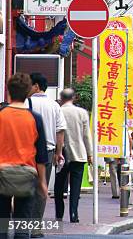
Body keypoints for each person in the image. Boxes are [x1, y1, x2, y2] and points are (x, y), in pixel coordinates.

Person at [0, 73, 48, 239]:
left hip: (2, 174)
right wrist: (42, 183)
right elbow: (41, 155)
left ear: (9, 91)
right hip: (27, 175)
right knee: (22, 224)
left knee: (1, 224)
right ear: (29, 92)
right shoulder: (35, 118)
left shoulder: (1, 115)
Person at [28, 73, 66, 235]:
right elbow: (60, 131)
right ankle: (36, 227)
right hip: (48, 152)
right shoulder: (54, 105)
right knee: (41, 189)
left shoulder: (25, 102)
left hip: (27, 152)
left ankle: (22, 224)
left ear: (36, 86)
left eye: (30, 84)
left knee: (24, 187)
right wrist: (59, 152)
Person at [54, 88, 92, 223]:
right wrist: (90, 154)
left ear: (61, 98)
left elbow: (56, 132)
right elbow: (86, 135)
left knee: (59, 185)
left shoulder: (58, 111)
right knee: (75, 187)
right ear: (74, 97)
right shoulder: (82, 112)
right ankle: (74, 214)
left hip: (61, 153)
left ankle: (59, 214)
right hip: (78, 153)